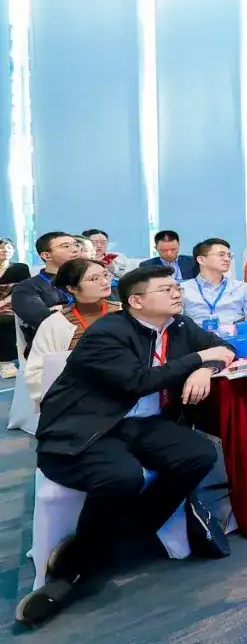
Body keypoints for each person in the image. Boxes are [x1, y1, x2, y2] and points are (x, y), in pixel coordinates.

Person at [15, 266, 235, 625]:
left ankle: (118, 537)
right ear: (136, 301)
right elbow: (138, 381)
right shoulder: (108, 331)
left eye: (176, 287)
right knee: (121, 477)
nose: (176, 293)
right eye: (165, 289)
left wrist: (203, 369)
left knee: (198, 454)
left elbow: (223, 347)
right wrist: (197, 358)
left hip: (143, 424)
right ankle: (72, 573)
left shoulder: (179, 325)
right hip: (90, 425)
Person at [25, 259, 120, 407]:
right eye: (94, 279)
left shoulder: (125, 312)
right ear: (72, 288)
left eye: (105, 275)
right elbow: (36, 374)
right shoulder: (55, 324)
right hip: (79, 398)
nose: (104, 281)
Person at [12, 232, 81, 353]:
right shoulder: (26, 288)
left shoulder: (90, 279)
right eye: (65, 246)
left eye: (76, 245)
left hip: (95, 343)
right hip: (52, 350)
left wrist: (61, 308)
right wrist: (82, 309)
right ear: (46, 255)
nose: (75, 249)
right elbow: (45, 321)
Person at [181, 239, 247, 328]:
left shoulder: (241, 288)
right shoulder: (183, 289)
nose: (227, 259)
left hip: (234, 335)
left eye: (229, 255)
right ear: (201, 260)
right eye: (221, 255)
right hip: (197, 336)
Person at [1, 237, 30, 372]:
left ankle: (7, 361)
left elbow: (23, 289)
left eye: (9, 247)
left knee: (5, 320)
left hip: (11, 304)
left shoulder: (20, 268)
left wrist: (2, 302)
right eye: (1, 247)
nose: (5, 250)